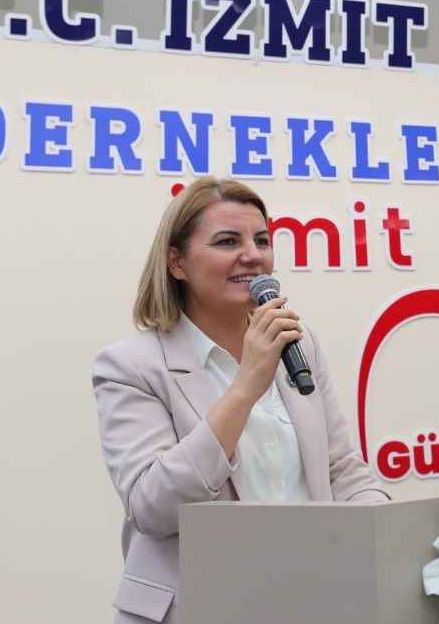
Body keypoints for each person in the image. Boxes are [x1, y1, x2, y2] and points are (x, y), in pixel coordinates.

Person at [93, 178, 388, 624]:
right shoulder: (131, 366)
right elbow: (153, 506)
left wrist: (388, 536)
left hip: (309, 598)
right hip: (198, 608)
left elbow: (341, 470)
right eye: (228, 241)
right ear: (177, 263)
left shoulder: (299, 343)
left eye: (262, 240)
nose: (253, 255)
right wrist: (247, 384)